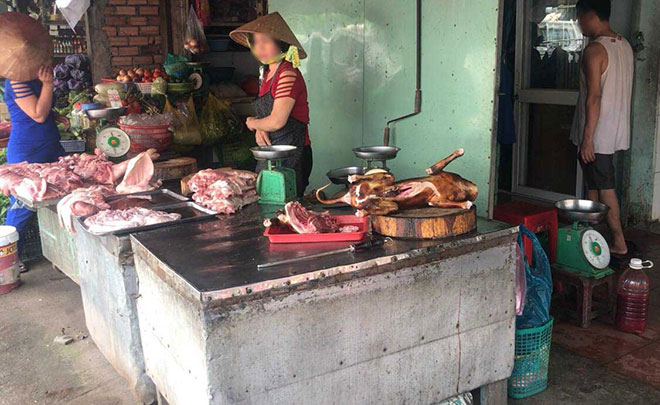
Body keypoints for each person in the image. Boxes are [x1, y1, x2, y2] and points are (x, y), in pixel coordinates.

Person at [570, 0, 633, 255]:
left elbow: (593, 97)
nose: (578, 23)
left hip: (597, 134)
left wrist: (588, 139)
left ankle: (619, 243)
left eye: (579, 17)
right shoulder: (624, 45)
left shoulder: (594, 50)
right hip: (614, 130)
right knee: (594, 185)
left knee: (605, 188)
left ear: (590, 15)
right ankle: (592, 234)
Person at [230, 12, 312, 197]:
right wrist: (261, 127)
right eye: (255, 42)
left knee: (287, 207)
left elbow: (276, 121)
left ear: (280, 43)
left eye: (265, 41)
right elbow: (267, 116)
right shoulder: (266, 74)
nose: (260, 47)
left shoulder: (288, 73)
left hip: (292, 156)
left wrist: (252, 123)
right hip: (270, 154)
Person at [4, 66, 64, 270]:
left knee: (59, 199)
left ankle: (60, 253)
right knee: (23, 205)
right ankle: (10, 258)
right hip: (28, 152)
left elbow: (43, 109)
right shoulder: (16, 81)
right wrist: (48, 84)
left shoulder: (35, 77)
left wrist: (55, 116)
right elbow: (38, 114)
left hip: (50, 147)